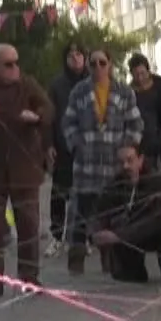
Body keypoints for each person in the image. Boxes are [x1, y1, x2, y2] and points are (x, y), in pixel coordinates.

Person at [0, 43, 55, 298]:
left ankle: (29, 277)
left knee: (28, 226)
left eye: (16, 62)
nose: (15, 68)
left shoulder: (28, 85)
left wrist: (37, 116)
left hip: (24, 170)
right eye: (8, 64)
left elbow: (49, 109)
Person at [61, 47, 144, 275]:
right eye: (93, 63)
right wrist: (76, 145)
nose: (97, 67)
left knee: (113, 213)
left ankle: (110, 259)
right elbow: (68, 123)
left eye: (102, 63)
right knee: (80, 213)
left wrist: (127, 148)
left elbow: (136, 124)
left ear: (110, 65)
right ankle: (76, 258)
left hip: (113, 165)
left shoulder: (124, 92)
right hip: (86, 164)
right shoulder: (79, 91)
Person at [90, 143, 161, 282]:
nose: (125, 166)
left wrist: (119, 235)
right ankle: (133, 271)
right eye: (121, 162)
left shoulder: (158, 180)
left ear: (140, 159)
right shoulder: (116, 184)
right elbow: (100, 211)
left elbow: (158, 219)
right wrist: (97, 232)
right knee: (127, 275)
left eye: (130, 160)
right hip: (134, 232)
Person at [46, 42, 88, 249]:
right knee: (60, 194)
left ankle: (85, 236)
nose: (75, 58)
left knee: (88, 193)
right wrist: (49, 143)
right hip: (64, 147)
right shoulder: (57, 85)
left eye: (79, 54)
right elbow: (49, 116)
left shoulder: (93, 81)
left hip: (89, 147)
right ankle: (56, 236)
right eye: (71, 55)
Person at [128, 53, 161, 170]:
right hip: (140, 141)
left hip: (158, 137)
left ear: (148, 70)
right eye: (136, 75)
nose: (140, 78)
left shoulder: (159, 84)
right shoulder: (130, 91)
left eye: (142, 73)